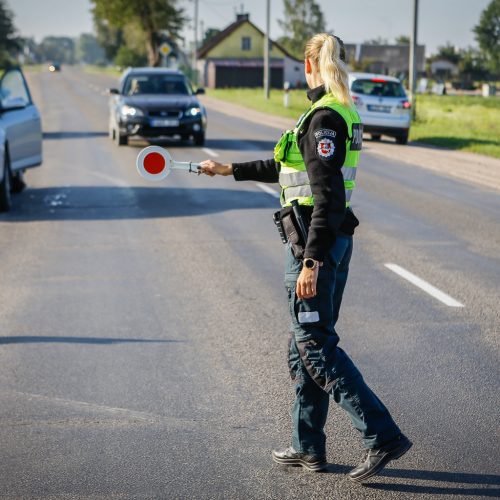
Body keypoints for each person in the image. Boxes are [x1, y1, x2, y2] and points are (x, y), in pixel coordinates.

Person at [199, 33, 412, 483]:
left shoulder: (325, 119)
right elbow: (288, 166)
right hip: (326, 242)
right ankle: (307, 446)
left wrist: (311, 262)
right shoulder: (330, 113)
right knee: (305, 346)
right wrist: (228, 169)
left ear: (309, 64)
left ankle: (382, 436)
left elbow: (328, 197)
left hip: (316, 246)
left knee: (314, 343)